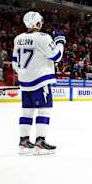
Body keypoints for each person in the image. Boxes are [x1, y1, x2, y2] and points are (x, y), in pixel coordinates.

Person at [13, 11, 65, 155]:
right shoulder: (43, 38)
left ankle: (23, 142)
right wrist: (60, 41)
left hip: (25, 82)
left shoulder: (18, 38)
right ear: (37, 23)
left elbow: (14, 63)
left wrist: (24, 75)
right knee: (44, 110)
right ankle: (40, 142)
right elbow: (57, 56)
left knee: (26, 112)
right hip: (41, 81)